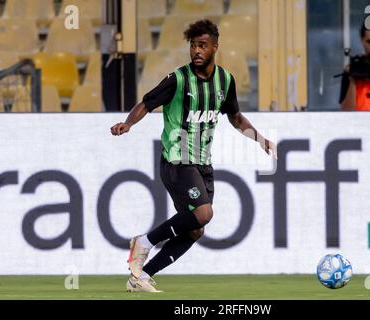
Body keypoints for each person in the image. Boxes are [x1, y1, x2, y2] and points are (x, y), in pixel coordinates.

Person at [110, 19, 277, 293]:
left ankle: (141, 275)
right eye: (193, 46)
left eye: (202, 45)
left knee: (196, 229)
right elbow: (146, 103)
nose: (196, 51)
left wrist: (259, 138)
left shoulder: (225, 80)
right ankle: (144, 242)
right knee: (204, 213)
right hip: (176, 160)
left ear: (215, 47)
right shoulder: (178, 79)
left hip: (202, 164)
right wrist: (128, 123)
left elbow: (235, 117)